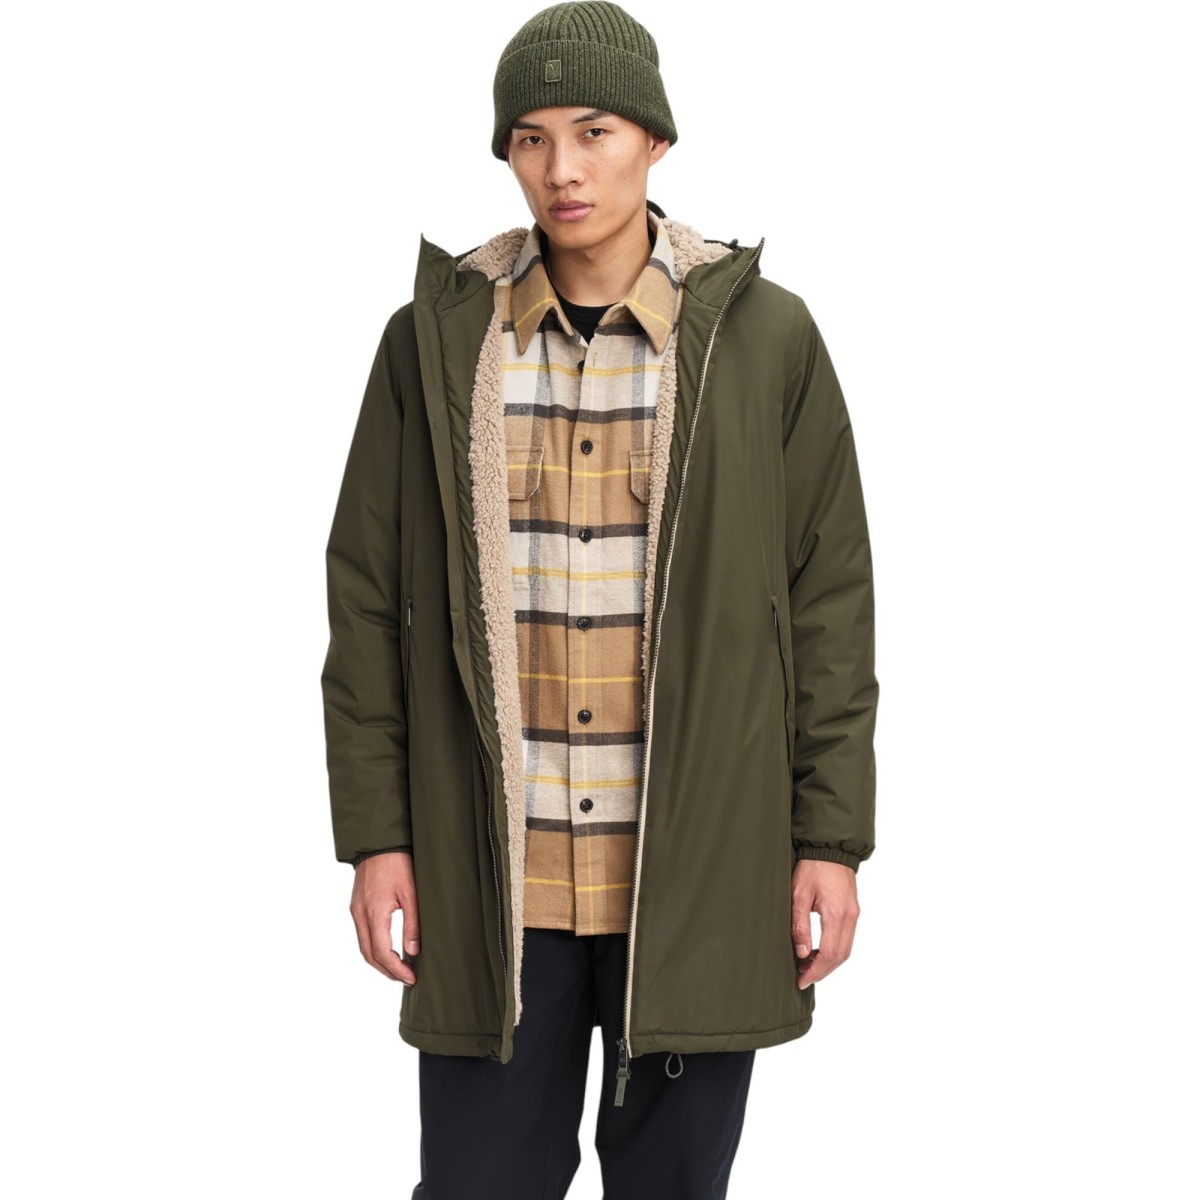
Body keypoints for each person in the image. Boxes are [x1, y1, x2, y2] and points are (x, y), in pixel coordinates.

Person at [320, 2, 878, 1196]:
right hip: (493, 881)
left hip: (695, 875)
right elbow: (366, 603)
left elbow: (828, 603)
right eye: (529, 139)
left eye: (594, 131)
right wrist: (376, 836)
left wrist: (829, 842)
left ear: (656, 141)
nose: (562, 170)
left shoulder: (765, 341)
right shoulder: (434, 344)